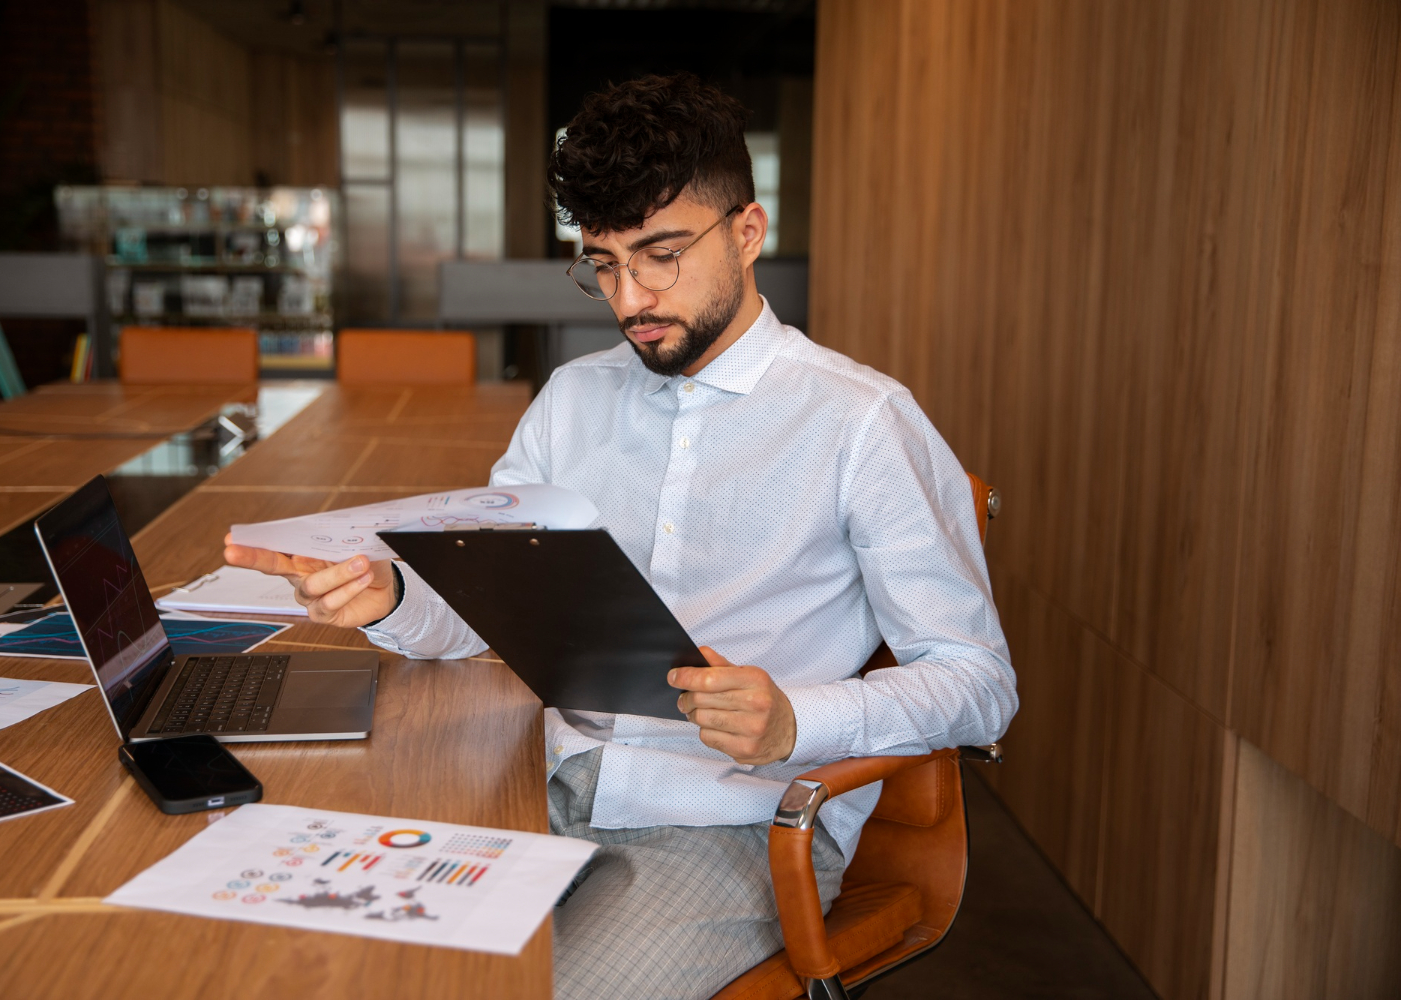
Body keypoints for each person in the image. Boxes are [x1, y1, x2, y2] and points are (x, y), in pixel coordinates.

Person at [226, 73, 1016, 1000]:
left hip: (721, 826)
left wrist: (799, 720)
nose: (629, 296)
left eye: (660, 255)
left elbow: (979, 683)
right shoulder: (574, 400)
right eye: (602, 263)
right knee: (331, 967)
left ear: (748, 233)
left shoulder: (862, 423)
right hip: (533, 787)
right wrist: (395, 599)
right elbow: (485, 606)